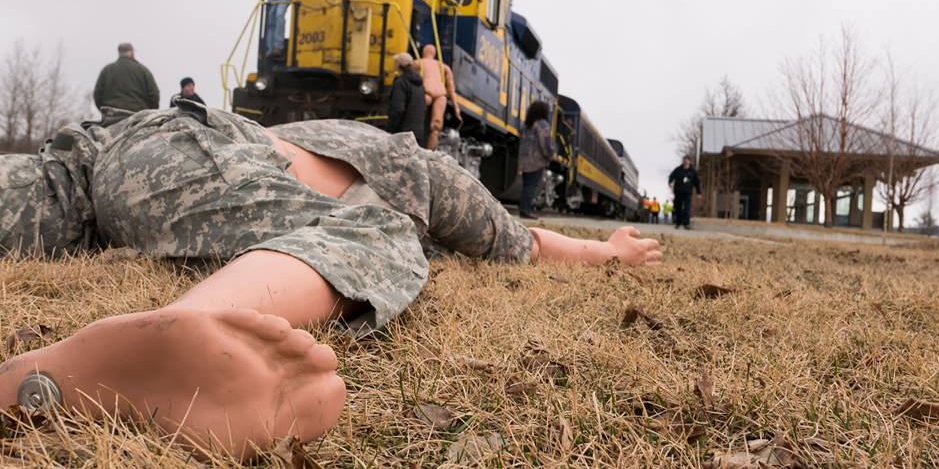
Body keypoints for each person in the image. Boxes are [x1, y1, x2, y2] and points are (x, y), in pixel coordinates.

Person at [0, 105, 662, 460]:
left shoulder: (314, 133)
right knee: (378, 235)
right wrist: (605, 252)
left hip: (89, 158)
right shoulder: (422, 168)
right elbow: (521, 245)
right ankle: (195, 329)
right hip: (180, 156)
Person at [415, 45, 461, 149]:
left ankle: (418, 143)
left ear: (423, 52)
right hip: (441, 95)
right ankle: (429, 153)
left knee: (418, 118)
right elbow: (451, 89)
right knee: (436, 127)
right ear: (434, 54)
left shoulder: (418, 62)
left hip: (427, 92)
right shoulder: (444, 67)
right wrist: (456, 108)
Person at [93, 43, 160, 111]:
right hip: (138, 113)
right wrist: (151, 112)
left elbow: (97, 94)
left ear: (119, 53)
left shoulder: (107, 70)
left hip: (111, 114)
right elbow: (154, 94)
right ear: (131, 52)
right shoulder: (143, 70)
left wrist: (104, 110)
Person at [517, 101, 554, 220]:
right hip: (536, 160)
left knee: (527, 185)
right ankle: (526, 211)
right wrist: (550, 155)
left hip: (524, 160)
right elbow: (545, 144)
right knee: (531, 186)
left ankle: (523, 210)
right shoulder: (543, 124)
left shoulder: (526, 125)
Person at [386, 53, 428, 147]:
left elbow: (398, 109)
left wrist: (390, 128)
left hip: (402, 134)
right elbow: (424, 108)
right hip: (417, 133)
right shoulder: (420, 84)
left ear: (398, 65)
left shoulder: (401, 82)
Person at [668, 155, 702, 230]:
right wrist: (670, 182)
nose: (685, 161)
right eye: (684, 160)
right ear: (683, 161)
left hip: (687, 193)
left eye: (687, 160)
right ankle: (678, 222)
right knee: (678, 208)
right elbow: (671, 176)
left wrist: (699, 192)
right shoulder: (678, 169)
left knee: (687, 208)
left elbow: (697, 182)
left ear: (689, 161)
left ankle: (686, 223)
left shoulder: (693, 171)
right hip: (678, 192)